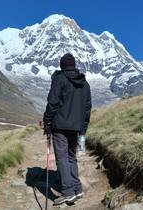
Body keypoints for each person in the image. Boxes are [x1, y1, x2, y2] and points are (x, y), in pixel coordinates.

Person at [43, 53, 92, 205]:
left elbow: (52, 103)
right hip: (76, 127)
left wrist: (47, 122)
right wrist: (83, 129)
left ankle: (68, 192)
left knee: (62, 158)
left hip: (60, 126)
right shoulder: (85, 84)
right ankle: (77, 189)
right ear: (74, 65)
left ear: (62, 65)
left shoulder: (59, 79)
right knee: (71, 157)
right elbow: (87, 108)